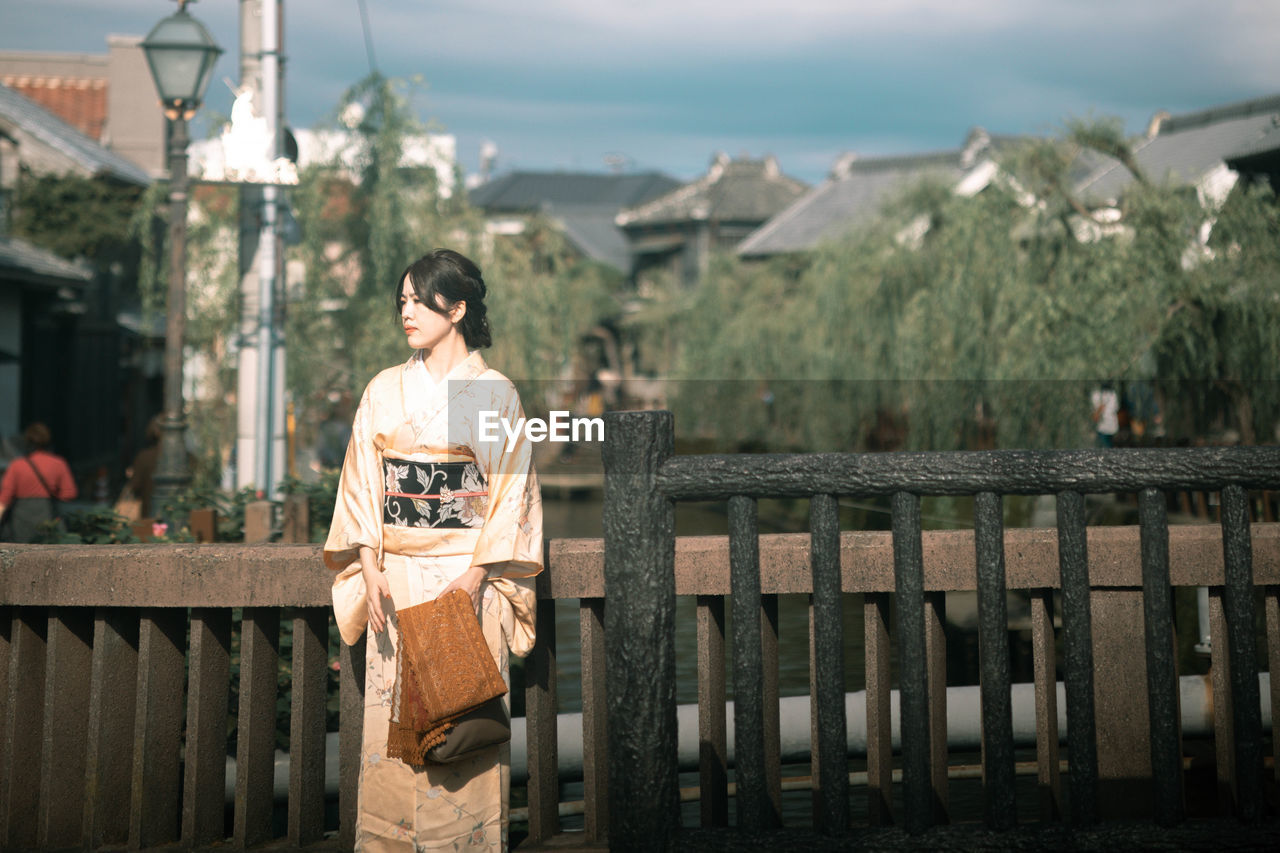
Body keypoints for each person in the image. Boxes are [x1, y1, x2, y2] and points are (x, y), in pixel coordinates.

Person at [324, 249, 543, 850]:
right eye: (402, 300)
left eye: (420, 299)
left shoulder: (497, 394)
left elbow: (512, 493)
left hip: (466, 583)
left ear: (459, 307)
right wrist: (368, 566)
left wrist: (474, 579)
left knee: (461, 721)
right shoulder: (384, 388)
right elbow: (361, 481)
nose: (408, 312)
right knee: (395, 727)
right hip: (393, 581)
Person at [0, 422, 78, 542]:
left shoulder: (17, 465)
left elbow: (4, 499)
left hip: (21, 518)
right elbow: (69, 493)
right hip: (46, 514)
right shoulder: (58, 463)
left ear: (27, 441)